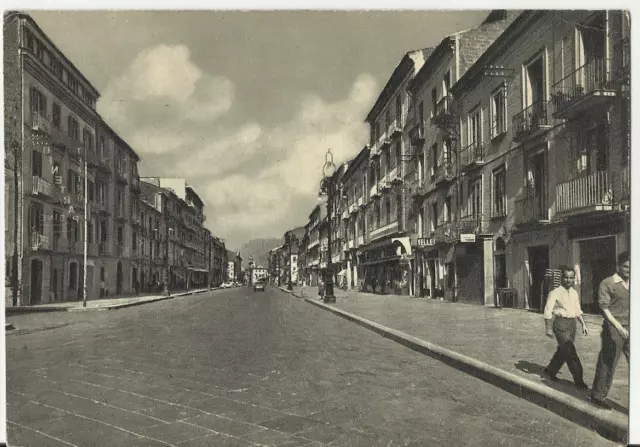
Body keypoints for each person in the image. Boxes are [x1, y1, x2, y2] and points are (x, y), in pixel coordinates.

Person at [590, 251, 630, 410]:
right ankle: (598, 396)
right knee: (608, 361)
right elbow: (604, 308)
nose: (629, 270)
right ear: (618, 266)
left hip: (632, 326)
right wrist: (618, 327)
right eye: (626, 267)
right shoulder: (607, 283)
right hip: (613, 327)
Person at [541, 266, 589, 390]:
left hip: (572, 324)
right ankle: (579, 381)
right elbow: (547, 310)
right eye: (566, 277)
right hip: (560, 324)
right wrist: (548, 328)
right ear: (562, 278)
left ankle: (550, 370)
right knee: (570, 352)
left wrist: (583, 324)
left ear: (574, 279)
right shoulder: (555, 293)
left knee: (564, 350)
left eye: (571, 278)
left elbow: (577, 310)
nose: (568, 280)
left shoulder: (574, 293)